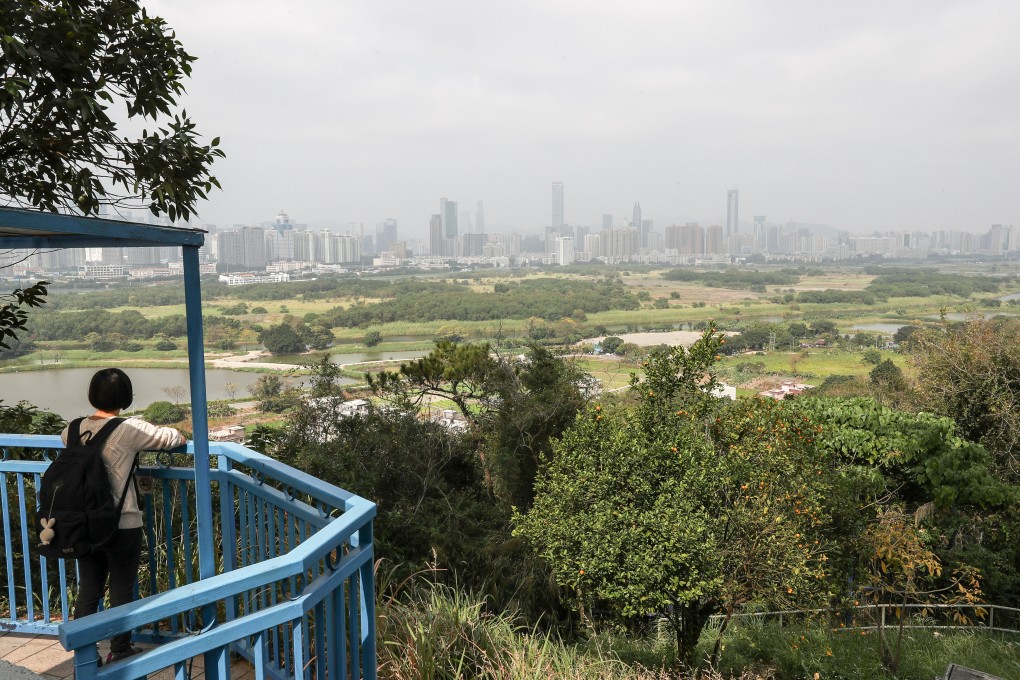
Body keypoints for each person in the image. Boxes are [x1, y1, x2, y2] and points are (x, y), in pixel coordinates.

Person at [62, 368, 186, 664]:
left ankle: (85, 651)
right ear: (127, 397)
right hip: (122, 521)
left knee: (89, 587)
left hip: (84, 523)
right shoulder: (131, 428)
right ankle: (119, 649)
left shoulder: (72, 428)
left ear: (92, 395)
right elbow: (175, 438)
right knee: (121, 588)